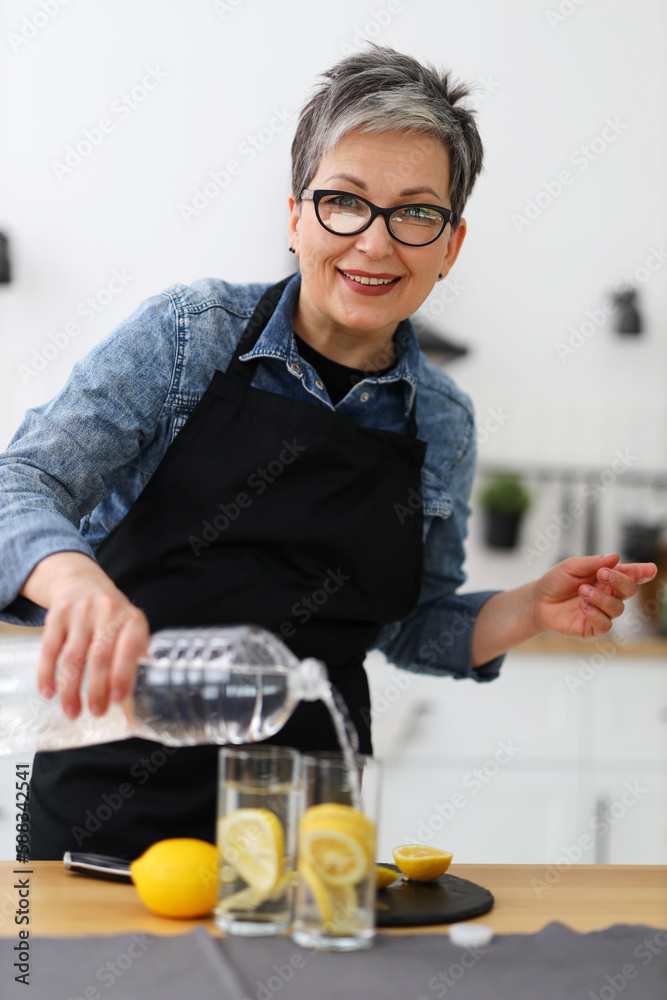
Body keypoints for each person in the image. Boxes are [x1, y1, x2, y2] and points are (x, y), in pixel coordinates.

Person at [0, 47, 655, 860]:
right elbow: (21, 482)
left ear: (449, 245)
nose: (374, 244)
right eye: (344, 202)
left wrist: (526, 608)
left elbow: (408, 626)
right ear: (296, 216)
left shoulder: (438, 419)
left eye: (414, 213)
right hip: (105, 814)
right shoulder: (187, 338)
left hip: (307, 830)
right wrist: (75, 583)